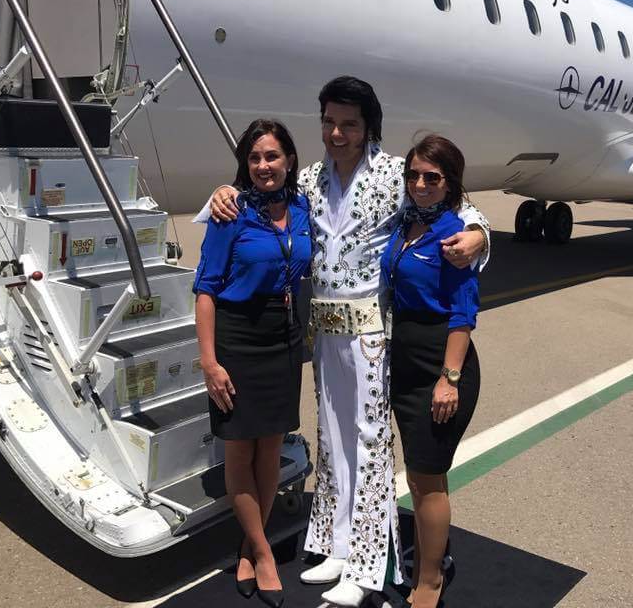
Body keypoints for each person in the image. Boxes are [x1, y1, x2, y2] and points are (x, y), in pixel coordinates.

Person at [205, 76, 489, 607]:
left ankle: (368, 563)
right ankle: (337, 545)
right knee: (333, 439)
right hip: (324, 331)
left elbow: (445, 206)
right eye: (330, 122)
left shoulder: (390, 175)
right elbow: (258, 194)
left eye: (349, 124)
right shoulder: (309, 180)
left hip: (372, 335)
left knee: (370, 443)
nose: (337, 132)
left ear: (367, 127)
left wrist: (480, 231)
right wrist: (223, 192)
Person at [193, 119, 312, 608]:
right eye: (255, 158)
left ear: (289, 161)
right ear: (246, 165)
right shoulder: (230, 213)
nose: (264, 166)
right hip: (238, 337)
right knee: (240, 454)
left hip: (283, 339)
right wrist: (209, 361)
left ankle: (249, 544)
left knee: (269, 451)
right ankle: (263, 555)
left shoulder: (303, 207)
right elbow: (204, 289)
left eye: (273, 156)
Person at [381, 135, 480, 608]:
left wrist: (450, 379)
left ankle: (430, 578)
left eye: (432, 177)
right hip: (404, 359)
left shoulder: (452, 236)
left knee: (427, 474)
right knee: (418, 476)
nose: (420, 184)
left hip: (441, 363)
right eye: (413, 175)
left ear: (450, 184)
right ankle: (428, 555)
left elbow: (463, 314)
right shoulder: (404, 226)